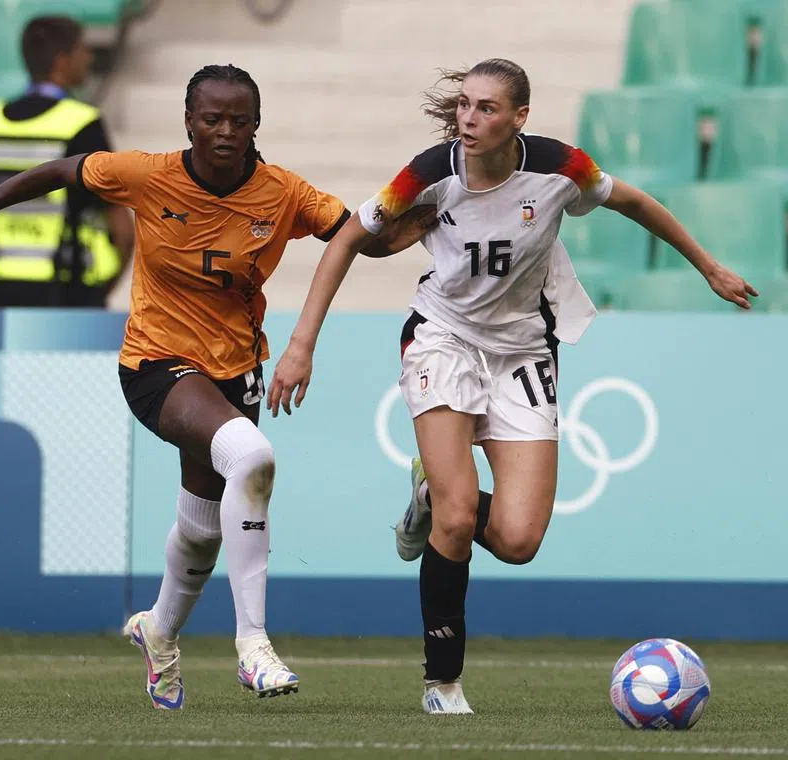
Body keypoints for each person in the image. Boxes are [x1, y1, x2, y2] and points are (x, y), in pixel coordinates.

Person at [0, 64, 429, 710]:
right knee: (252, 457)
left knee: (201, 528)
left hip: (235, 369)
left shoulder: (283, 194)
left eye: (240, 120)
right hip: (156, 365)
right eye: (212, 119)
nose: (225, 131)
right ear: (188, 121)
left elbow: (362, 239)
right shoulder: (147, 175)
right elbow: (61, 172)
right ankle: (253, 645)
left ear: (258, 125)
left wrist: (445, 208)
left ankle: (159, 630)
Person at [267, 58, 757, 715]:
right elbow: (352, 238)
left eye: (487, 108)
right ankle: (442, 685)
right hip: (442, 337)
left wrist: (708, 267)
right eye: (465, 105)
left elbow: (634, 202)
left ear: (518, 117)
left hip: (524, 350)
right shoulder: (429, 174)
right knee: (461, 512)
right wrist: (301, 345)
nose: (469, 118)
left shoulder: (562, 169)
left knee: (521, 540)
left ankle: (429, 494)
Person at [0, 15, 134, 308]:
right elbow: (121, 228)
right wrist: (100, 292)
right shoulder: (82, 123)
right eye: (82, 49)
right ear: (62, 60)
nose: (88, 57)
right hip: (68, 290)